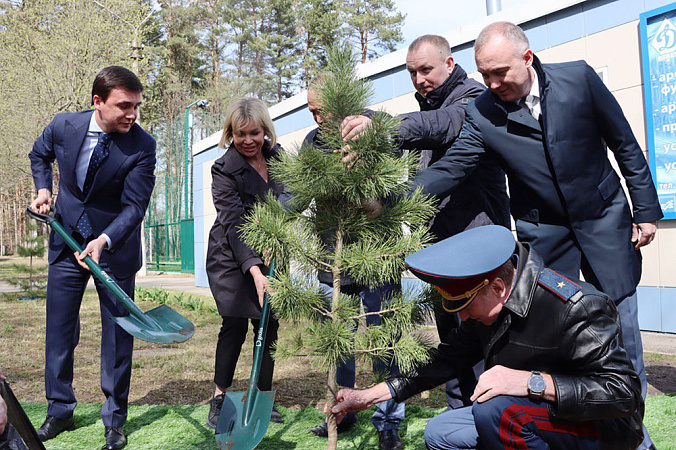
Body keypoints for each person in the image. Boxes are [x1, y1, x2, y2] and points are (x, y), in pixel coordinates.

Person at [410, 22, 661, 449]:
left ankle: (633, 437)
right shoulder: (482, 112)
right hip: (543, 234)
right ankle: (562, 430)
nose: (491, 84)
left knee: (620, 336)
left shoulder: (578, 78)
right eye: (483, 74)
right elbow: (452, 167)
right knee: (548, 336)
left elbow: (625, 144)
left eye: (500, 73)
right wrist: (395, 200)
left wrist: (646, 212)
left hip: (604, 221)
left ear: (527, 58)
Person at [330, 225, 645, 450]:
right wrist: (371, 395)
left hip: (600, 427)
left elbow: (623, 394)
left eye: (466, 305)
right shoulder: (488, 308)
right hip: (535, 416)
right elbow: (446, 359)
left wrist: (532, 382)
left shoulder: (576, 306)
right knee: (442, 431)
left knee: (496, 410)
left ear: (497, 287)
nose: (463, 316)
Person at [341, 34, 510, 410]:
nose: (419, 79)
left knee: (484, 342)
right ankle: (459, 416)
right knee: (452, 341)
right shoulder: (428, 104)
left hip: (478, 246)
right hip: (441, 251)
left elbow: (442, 125)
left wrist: (380, 127)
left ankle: (489, 419)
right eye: (412, 72)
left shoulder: (473, 98)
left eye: (426, 70)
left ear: (450, 64)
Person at [29, 66, 156, 450]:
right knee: (60, 330)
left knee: (118, 335)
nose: (132, 114)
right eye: (123, 106)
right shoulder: (64, 126)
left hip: (112, 250)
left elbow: (135, 207)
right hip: (66, 244)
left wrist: (104, 240)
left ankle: (115, 420)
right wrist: (42, 188)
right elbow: (39, 153)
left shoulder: (142, 145)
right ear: (97, 102)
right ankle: (60, 409)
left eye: (136, 106)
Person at [305, 83, 405, 450]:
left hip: (378, 257)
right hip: (335, 260)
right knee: (339, 345)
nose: (318, 118)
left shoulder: (373, 129)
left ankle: (388, 420)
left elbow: (392, 191)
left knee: (384, 342)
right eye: (311, 111)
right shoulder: (312, 143)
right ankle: (341, 414)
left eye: (323, 109)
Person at [205, 97, 284, 430]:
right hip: (231, 255)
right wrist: (254, 269)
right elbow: (234, 222)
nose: (249, 141)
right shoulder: (224, 168)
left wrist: (277, 242)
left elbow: (291, 200)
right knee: (235, 324)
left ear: (265, 131)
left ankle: (262, 396)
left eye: (255, 133)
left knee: (269, 325)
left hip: (273, 252)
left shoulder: (279, 160)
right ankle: (220, 397)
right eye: (241, 134)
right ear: (231, 134)